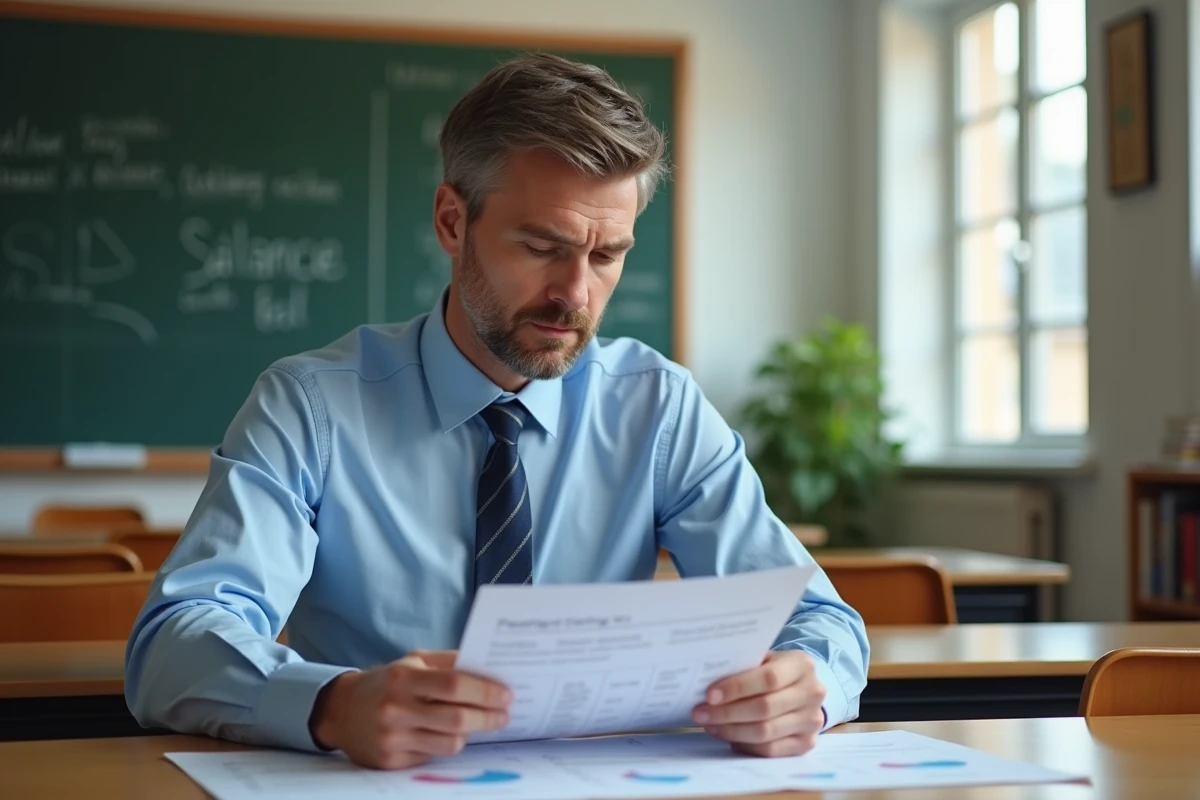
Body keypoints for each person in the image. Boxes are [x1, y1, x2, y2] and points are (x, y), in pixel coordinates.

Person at [125, 52, 869, 771]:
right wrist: (334, 705)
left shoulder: (658, 406)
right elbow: (173, 646)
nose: (576, 294)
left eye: (607, 255)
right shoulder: (310, 407)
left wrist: (808, 684)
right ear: (453, 221)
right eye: (542, 246)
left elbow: (823, 622)